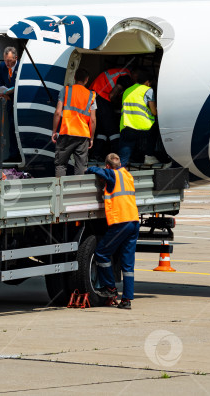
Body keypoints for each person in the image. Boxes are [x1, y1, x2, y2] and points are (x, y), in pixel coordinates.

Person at [85, 153, 140, 309]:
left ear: (108, 166)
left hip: (121, 222)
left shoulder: (111, 174)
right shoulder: (127, 175)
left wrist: (89, 169)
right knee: (128, 264)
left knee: (102, 253)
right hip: (134, 221)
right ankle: (126, 300)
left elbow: (97, 171)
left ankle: (110, 287)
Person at [51, 68, 96, 177]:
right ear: (87, 80)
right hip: (83, 135)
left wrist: (54, 131)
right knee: (81, 166)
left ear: (75, 77)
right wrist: (91, 137)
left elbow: (58, 112)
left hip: (66, 132)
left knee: (60, 164)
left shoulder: (65, 90)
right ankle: (78, 191)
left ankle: (59, 191)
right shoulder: (92, 95)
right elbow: (93, 119)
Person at [90, 67, 133, 161]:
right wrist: (120, 106)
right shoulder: (126, 77)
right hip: (102, 96)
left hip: (95, 93)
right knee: (112, 128)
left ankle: (95, 155)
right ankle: (118, 157)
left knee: (102, 130)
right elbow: (112, 95)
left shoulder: (121, 72)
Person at [118, 68, 157, 167]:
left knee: (123, 157)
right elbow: (153, 111)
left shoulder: (127, 90)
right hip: (143, 127)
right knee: (156, 130)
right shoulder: (148, 90)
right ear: (147, 82)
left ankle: (120, 174)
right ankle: (149, 156)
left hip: (126, 127)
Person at [0, 46, 21, 162]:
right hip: (9, 102)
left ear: (16, 58)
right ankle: (13, 155)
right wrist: (2, 93)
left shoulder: (21, 66)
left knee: (18, 128)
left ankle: (20, 154)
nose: (7, 63)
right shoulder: (2, 66)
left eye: (10, 61)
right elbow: (0, 83)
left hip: (19, 102)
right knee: (11, 128)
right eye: (5, 60)